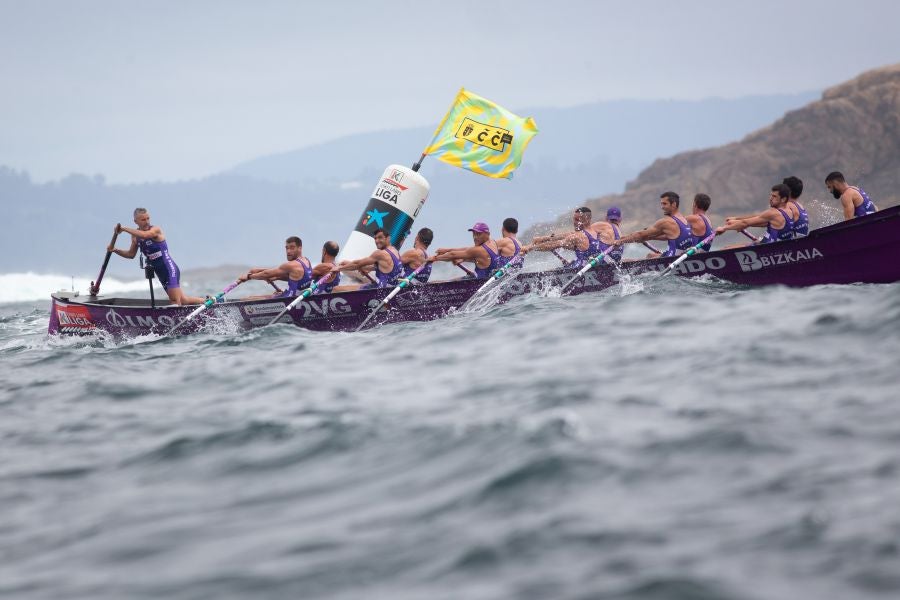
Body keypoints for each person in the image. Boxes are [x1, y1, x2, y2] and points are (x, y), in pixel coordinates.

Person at [108, 208, 205, 305]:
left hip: (169, 269)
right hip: (159, 272)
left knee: (175, 301)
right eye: (143, 220)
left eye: (148, 219)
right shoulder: (135, 236)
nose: (147, 222)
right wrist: (115, 250)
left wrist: (124, 229)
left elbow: (146, 235)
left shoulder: (155, 230)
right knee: (183, 300)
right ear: (135, 221)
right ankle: (208, 301)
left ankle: (175, 319)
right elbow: (130, 254)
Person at [612, 192, 693, 258]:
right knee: (650, 255)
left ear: (674, 204)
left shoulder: (666, 222)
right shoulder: (684, 219)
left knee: (637, 260)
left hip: (671, 258)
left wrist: (621, 241)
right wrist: (650, 237)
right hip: (682, 256)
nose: (662, 207)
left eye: (665, 204)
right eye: (661, 204)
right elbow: (670, 237)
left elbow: (640, 235)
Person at [523, 207, 604, 268]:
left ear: (587, 220)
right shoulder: (596, 231)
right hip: (595, 265)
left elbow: (554, 244)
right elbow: (565, 235)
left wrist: (530, 249)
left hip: (580, 268)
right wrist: (543, 239)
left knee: (552, 273)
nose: (574, 222)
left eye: (577, 220)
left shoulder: (578, 236)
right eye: (574, 219)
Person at [716, 184, 794, 244]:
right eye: (771, 195)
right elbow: (761, 219)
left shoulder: (773, 213)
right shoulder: (789, 211)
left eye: (774, 196)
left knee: (727, 248)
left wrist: (724, 228)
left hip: (767, 248)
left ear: (783, 199)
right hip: (769, 244)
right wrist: (736, 220)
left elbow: (745, 223)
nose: (770, 198)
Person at [238, 236, 312, 299]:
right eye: (287, 248)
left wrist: (249, 277)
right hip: (294, 297)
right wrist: (277, 277)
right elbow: (298, 279)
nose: (288, 251)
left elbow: (266, 274)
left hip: (288, 300)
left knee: (250, 299)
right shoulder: (306, 261)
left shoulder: (291, 265)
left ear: (300, 248)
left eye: (292, 248)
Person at [330, 228, 403, 289]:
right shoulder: (395, 250)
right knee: (345, 263)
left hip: (379, 291)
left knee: (336, 289)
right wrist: (361, 268)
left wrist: (338, 268)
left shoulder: (380, 253)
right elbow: (380, 267)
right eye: (375, 238)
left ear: (388, 238)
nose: (377, 241)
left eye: (380, 237)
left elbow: (357, 264)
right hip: (391, 288)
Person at [429, 222, 502, 278]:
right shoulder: (492, 242)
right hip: (484, 277)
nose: (475, 237)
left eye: (478, 234)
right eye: (474, 234)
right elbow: (469, 250)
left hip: (478, 283)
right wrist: (447, 250)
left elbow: (452, 255)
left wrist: (434, 258)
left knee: (449, 281)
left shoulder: (479, 250)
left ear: (487, 234)